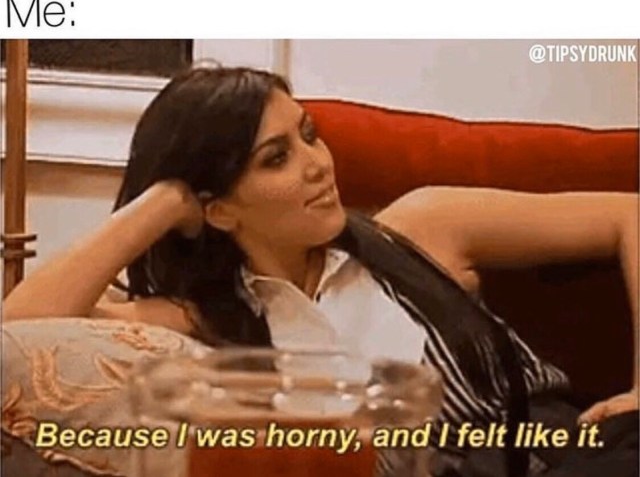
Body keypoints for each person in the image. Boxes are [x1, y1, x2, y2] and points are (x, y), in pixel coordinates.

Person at [4, 65, 638, 476]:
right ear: (219, 209)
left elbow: (628, 215)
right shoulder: (201, 319)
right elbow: (19, 334)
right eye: (276, 158)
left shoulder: (418, 226)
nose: (317, 164)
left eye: (309, 135)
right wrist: (163, 202)